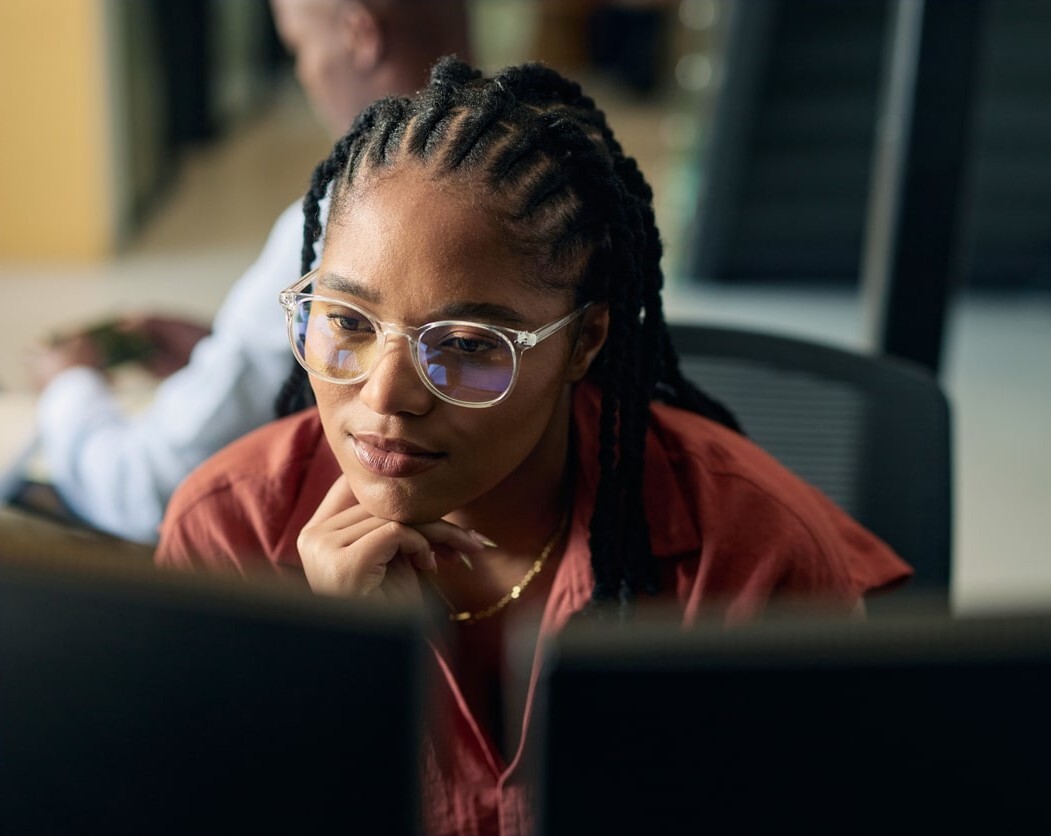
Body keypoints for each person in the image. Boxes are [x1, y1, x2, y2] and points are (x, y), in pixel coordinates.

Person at [156, 57, 913, 834]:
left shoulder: (749, 557)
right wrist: (339, 666)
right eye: (347, 322)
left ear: (584, 342)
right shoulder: (229, 535)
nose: (385, 397)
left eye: (465, 343)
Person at [22, 0, 470, 544]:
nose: (306, 74)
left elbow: (148, 487)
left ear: (359, 34)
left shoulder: (344, 220)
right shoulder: (536, 183)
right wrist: (229, 351)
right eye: (347, 324)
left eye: (299, 46)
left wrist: (67, 386)